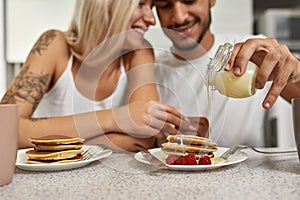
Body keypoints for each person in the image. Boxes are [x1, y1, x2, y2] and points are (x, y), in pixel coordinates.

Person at [0, 0, 195, 151]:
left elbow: (144, 137)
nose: (151, 19)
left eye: (151, 6)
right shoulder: (54, 44)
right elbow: (4, 129)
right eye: (140, 4)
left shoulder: (140, 53)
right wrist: (115, 119)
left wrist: (39, 138)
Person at [152, 0, 300, 146]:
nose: (179, 18)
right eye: (165, 5)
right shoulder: (149, 73)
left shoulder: (254, 55)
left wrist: (298, 74)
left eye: (190, 1)